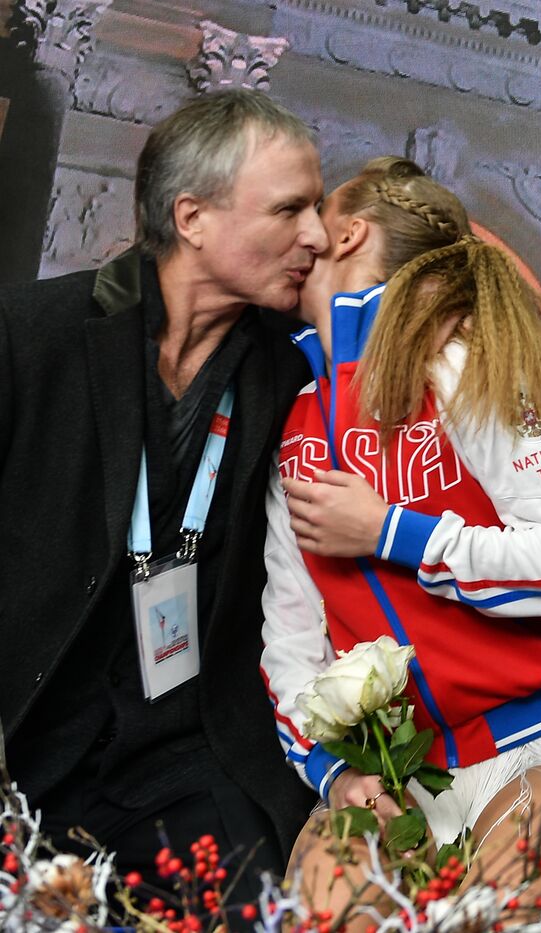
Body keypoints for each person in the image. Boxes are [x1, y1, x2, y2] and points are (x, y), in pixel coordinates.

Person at [258, 157, 541, 923]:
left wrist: (391, 531)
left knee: (474, 922)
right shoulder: (298, 422)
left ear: (349, 232)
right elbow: (291, 639)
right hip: (402, 780)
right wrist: (331, 771)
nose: (296, 244)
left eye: (312, 226)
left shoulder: (466, 364)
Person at [0, 90, 325, 891]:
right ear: (192, 217)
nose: (315, 235)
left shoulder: (290, 376)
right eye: (289, 209)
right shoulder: (27, 337)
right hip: (27, 741)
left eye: (317, 209)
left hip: (187, 756)